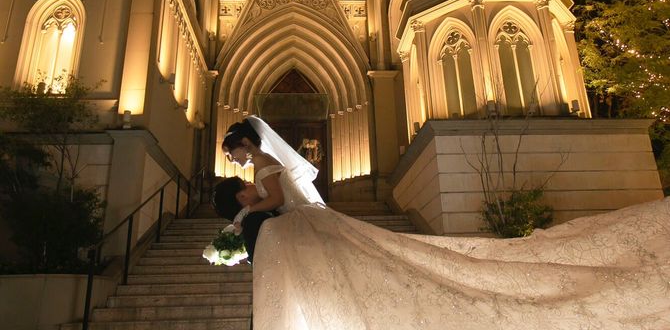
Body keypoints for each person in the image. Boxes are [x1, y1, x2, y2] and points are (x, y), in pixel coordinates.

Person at [222, 115, 670, 330]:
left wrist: (245, 212)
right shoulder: (261, 163)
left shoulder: (263, 163)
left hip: (301, 226)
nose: (235, 160)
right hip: (304, 227)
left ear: (245, 143)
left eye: (233, 153)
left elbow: (276, 198)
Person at [211, 176, 275, 263]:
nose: (251, 183)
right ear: (242, 196)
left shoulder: (260, 212)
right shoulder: (253, 220)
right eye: (246, 183)